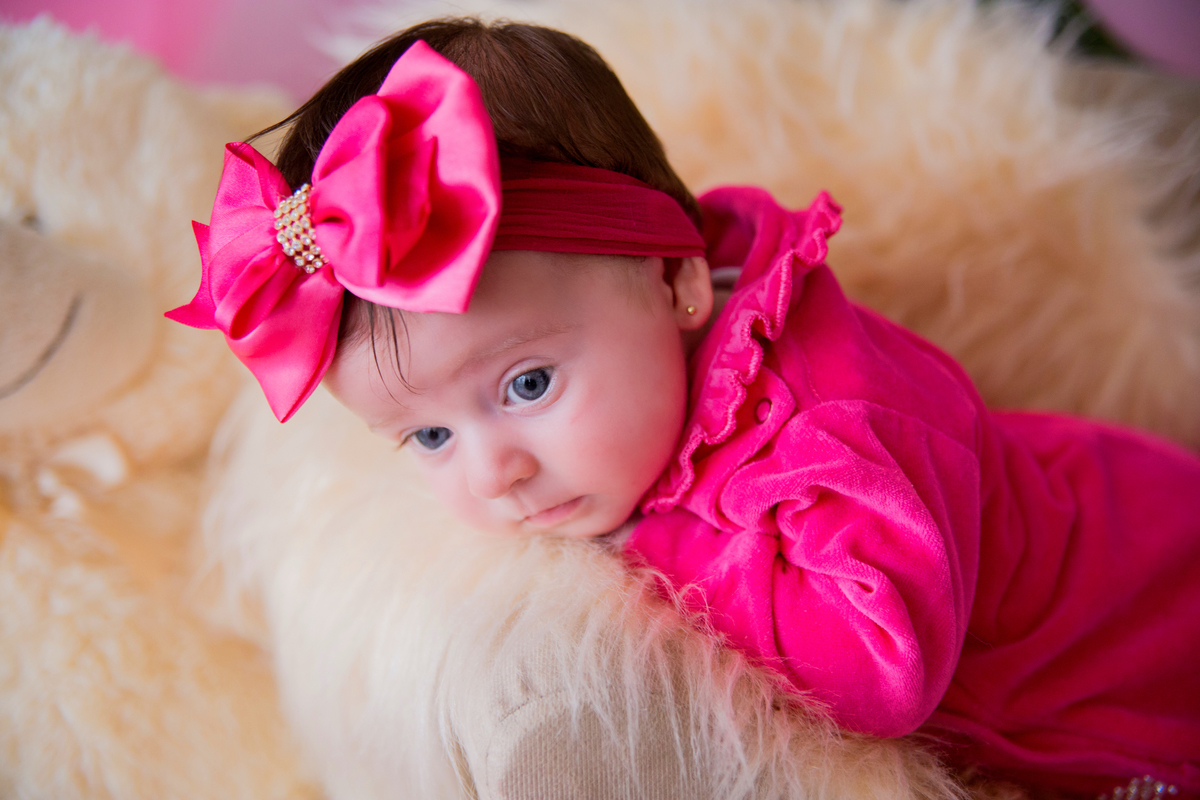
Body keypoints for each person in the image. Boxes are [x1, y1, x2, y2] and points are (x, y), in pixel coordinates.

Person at [166, 18, 1200, 798]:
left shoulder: (829, 419)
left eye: (527, 385)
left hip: (1144, 614)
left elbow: (882, 669)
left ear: (677, 279)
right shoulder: (643, 394)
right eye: (429, 435)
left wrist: (650, 542)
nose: (494, 470)